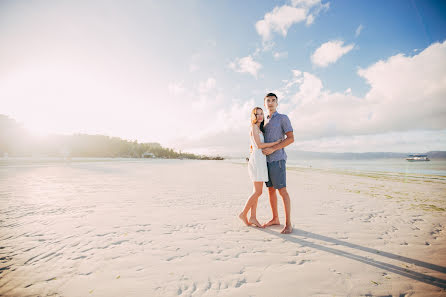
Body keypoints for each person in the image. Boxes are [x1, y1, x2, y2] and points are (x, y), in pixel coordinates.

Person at [239, 107, 281, 228]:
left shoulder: (259, 128)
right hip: (257, 161)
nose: (260, 116)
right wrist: (275, 143)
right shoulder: (253, 127)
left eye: (262, 113)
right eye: (257, 114)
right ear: (254, 116)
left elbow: (253, 145)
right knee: (258, 191)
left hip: (260, 160)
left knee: (256, 191)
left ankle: (253, 217)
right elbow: (258, 145)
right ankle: (244, 213)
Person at [261, 93, 294, 234]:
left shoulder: (282, 118)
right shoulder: (263, 121)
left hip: (278, 159)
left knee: (282, 191)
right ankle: (275, 218)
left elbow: (291, 138)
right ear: (264, 104)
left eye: (273, 100)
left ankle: (288, 224)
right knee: (270, 191)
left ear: (277, 103)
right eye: (268, 100)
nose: (270, 103)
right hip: (265, 162)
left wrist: (273, 148)